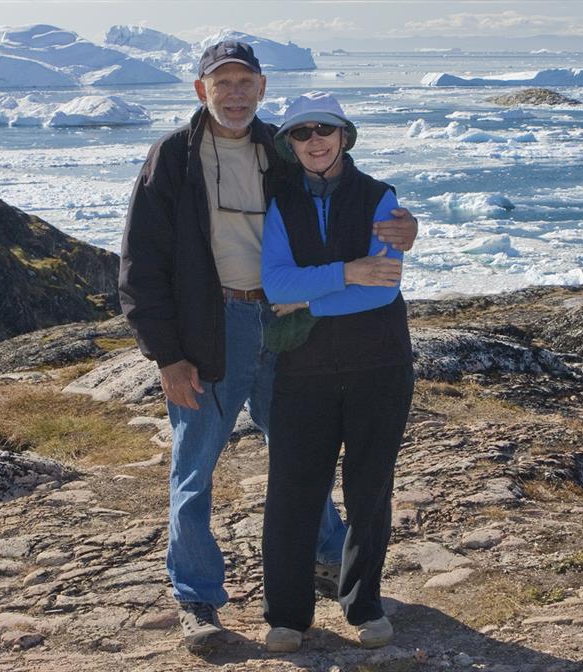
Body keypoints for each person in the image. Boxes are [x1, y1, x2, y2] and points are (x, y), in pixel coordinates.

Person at [119, 43, 418, 650]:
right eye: (221, 82)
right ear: (202, 90)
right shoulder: (173, 156)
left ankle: (331, 561)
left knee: (299, 456)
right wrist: (167, 356)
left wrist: (405, 225)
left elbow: (334, 194)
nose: (233, 93)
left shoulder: (278, 149)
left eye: (243, 83)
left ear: (260, 88)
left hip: (289, 325)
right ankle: (197, 598)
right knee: (195, 466)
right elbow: (141, 262)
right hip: (213, 325)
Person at [260, 91, 415, 653]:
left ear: (344, 136)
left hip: (380, 364)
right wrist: (350, 270)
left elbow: (386, 285)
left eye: (324, 129)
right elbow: (276, 284)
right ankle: (286, 614)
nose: (314, 140)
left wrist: (310, 299)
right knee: (293, 492)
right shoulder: (278, 200)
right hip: (303, 371)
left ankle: (364, 604)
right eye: (301, 133)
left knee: (369, 490)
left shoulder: (380, 197)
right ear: (289, 144)